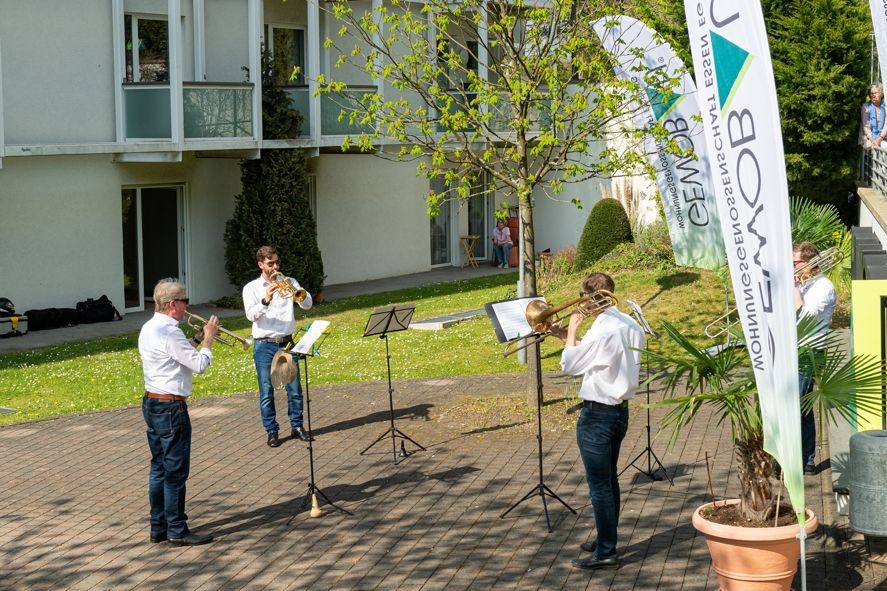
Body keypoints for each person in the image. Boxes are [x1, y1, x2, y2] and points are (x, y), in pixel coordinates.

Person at [555, 273, 645, 570]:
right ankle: (606, 538)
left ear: (589, 298)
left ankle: (606, 551)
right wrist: (563, 336)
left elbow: (570, 365)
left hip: (597, 415)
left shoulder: (603, 327)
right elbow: (599, 354)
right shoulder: (628, 323)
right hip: (620, 412)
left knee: (600, 486)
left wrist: (572, 327)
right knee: (609, 479)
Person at [139, 279, 219, 546]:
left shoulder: (150, 327)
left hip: (152, 402)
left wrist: (196, 339)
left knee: (159, 468)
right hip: (171, 407)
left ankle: (158, 527)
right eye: (185, 301)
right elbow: (199, 365)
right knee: (175, 471)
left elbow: (176, 356)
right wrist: (209, 339)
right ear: (173, 304)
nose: (187, 306)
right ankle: (177, 529)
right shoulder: (169, 332)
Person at [243, 246, 313, 447]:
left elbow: (307, 304)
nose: (275, 267)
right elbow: (250, 315)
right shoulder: (251, 288)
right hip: (264, 344)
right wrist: (266, 299)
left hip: (287, 342)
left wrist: (296, 292)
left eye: (276, 262)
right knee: (267, 392)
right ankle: (272, 431)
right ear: (261, 264)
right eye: (270, 263)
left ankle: (297, 426)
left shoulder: (289, 282)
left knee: (294, 389)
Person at [793, 241, 836, 475]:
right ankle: (802, 457)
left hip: (810, 351)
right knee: (800, 406)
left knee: (799, 403)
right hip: (792, 348)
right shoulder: (805, 283)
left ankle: (805, 458)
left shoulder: (824, 286)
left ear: (809, 263)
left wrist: (794, 288)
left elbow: (805, 317)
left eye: (795, 263)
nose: (792, 267)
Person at [860, 84, 887, 149]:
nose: (873, 95)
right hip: (868, 138)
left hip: (882, 137)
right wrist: (873, 140)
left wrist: (880, 138)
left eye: (875, 93)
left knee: (884, 146)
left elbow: (886, 125)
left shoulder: (885, 106)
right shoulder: (865, 106)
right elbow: (866, 127)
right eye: (871, 93)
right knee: (870, 146)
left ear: (881, 94)